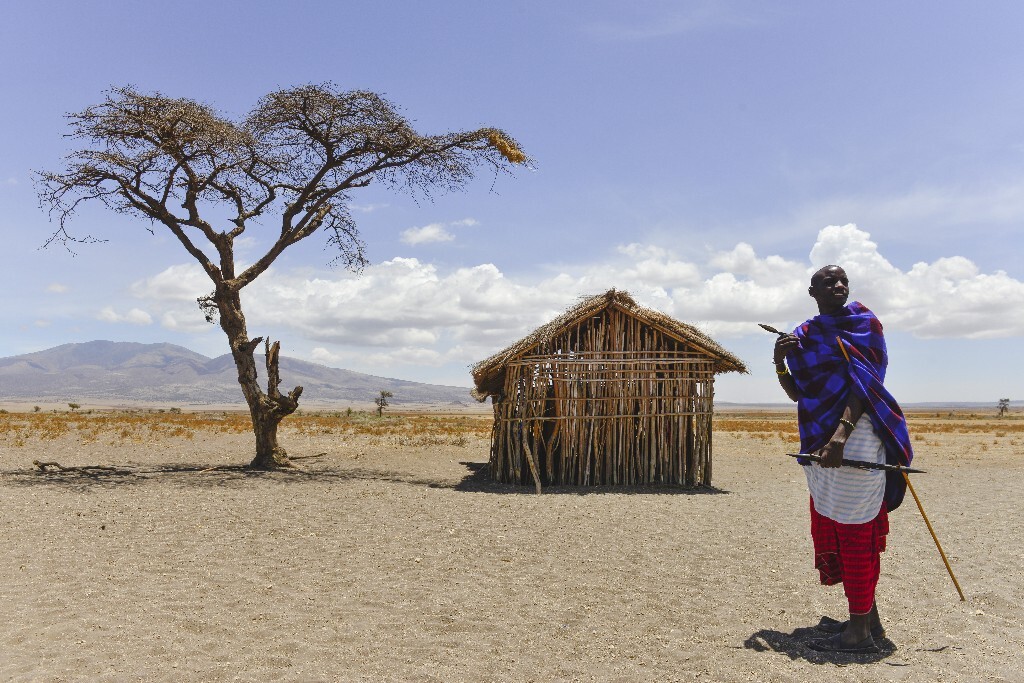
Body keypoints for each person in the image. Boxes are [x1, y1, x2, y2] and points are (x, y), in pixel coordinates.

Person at [773, 264, 914, 654]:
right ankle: (869, 620)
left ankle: (858, 634)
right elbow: (798, 393)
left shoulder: (865, 323)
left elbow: (866, 385)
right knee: (838, 525)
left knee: (856, 531)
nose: (838, 285)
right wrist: (779, 361)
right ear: (812, 290)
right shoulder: (806, 334)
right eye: (828, 282)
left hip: (857, 437)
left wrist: (840, 436)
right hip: (817, 442)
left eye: (843, 281)